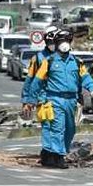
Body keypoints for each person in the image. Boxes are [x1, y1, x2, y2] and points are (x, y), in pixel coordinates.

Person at [29, 30, 93, 168]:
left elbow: (85, 78)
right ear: (57, 43)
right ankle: (58, 156)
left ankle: (57, 152)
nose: (64, 44)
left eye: (67, 41)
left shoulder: (77, 62)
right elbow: (37, 81)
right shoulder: (49, 61)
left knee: (70, 129)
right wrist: (31, 99)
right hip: (55, 99)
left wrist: (92, 89)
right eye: (61, 41)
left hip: (71, 101)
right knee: (57, 128)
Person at [21, 25, 59, 165]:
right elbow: (30, 80)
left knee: (61, 127)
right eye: (50, 42)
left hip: (61, 99)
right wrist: (27, 101)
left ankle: (58, 152)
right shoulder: (38, 59)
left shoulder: (65, 57)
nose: (53, 45)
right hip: (43, 99)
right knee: (48, 125)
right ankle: (48, 153)